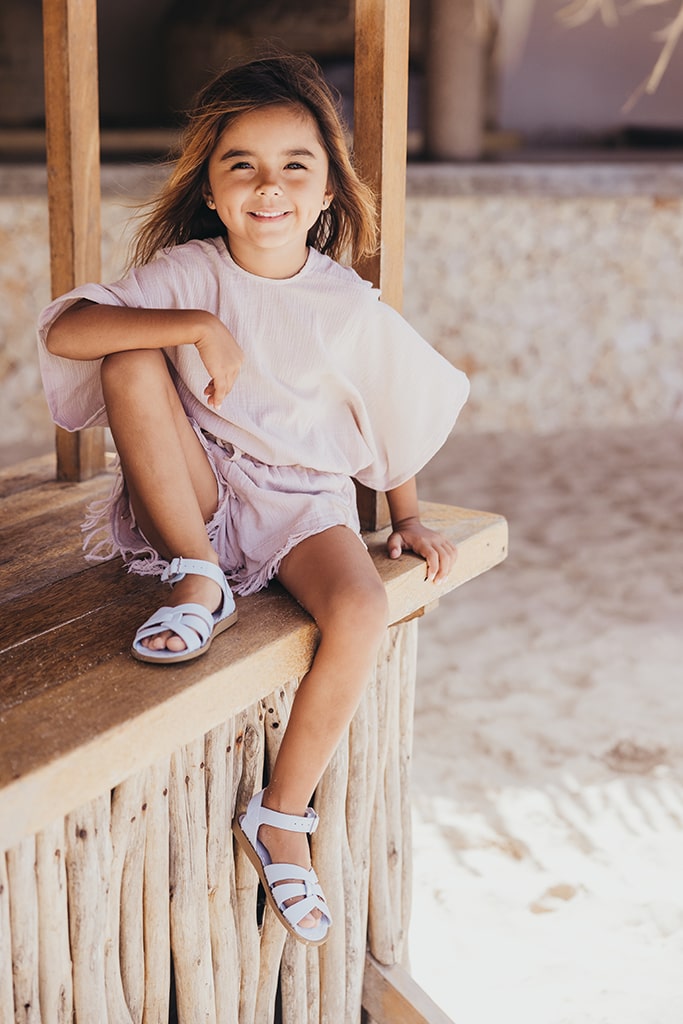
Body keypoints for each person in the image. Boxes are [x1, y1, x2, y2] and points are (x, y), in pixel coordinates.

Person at [37, 52, 469, 946]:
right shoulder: (190, 272)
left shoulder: (345, 304)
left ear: (326, 191)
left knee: (359, 610)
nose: (268, 186)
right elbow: (70, 330)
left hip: (303, 505)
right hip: (197, 491)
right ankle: (197, 579)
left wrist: (407, 517)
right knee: (127, 356)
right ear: (210, 186)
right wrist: (195, 325)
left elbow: (390, 411)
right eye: (243, 164)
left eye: (294, 166)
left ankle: (279, 815)